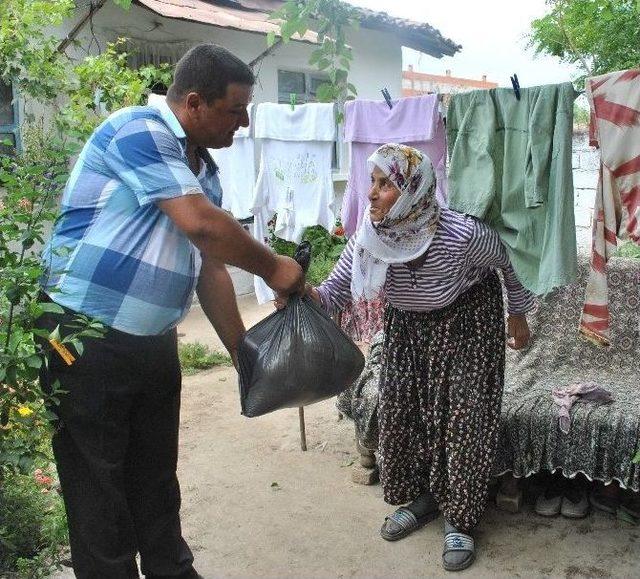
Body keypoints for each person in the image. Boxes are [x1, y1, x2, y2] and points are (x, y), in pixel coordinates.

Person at [37, 44, 304, 579]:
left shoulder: (202, 171)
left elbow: (212, 267)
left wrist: (242, 355)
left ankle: (171, 571)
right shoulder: (137, 129)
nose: (244, 123)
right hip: (82, 334)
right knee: (98, 483)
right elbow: (201, 225)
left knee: (156, 475)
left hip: (152, 339)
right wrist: (277, 268)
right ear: (196, 103)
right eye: (235, 110)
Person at [281, 143, 533, 572]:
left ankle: (460, 518)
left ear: (414, 189)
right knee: (404, 411)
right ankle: (424, 498)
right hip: (408, 327)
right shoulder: (371, 236)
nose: (373, 193)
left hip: (467, 321)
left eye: (386, 184)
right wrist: (300, 292)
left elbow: (506, 259)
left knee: (463, 418)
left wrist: (518, 312)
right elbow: (335, 291)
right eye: (372, 183)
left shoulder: (460, 235)